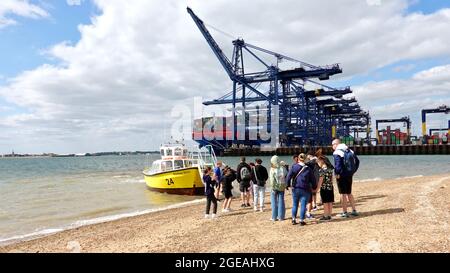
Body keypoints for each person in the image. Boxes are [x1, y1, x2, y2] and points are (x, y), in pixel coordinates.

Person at [332, 138, 360, 218]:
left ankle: (344, 212)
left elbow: (338, 165)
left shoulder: (337, 152)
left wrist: (337, 174)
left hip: (341, 175)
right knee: (349, 192)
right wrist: (353, 171)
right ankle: (354, 210)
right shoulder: (350, 150)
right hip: (349, 175)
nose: (332, 146)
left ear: (337, 144)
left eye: (333, 144)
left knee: (342, 194)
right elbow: (357, 161)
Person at [286, 153, 317, 226]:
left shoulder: (294, 167)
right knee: (303, 205)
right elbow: (313, 179)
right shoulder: (308, 168)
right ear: (305, 159)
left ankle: (293, 219)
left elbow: (288, 176)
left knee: (295, 205)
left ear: (298, 159)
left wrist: (287, 185)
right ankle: (301, 220)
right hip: (305, 189)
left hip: (296, 188)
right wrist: (314, 187)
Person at [269, 155, 287, 221]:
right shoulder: (283, 168)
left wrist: (273, 187)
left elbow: (271, 180)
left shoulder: (272, 169)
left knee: (274, 202)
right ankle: (281, 217)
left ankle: (274, 217)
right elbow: (285, 175)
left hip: (274, 187)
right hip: (282, 186)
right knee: (281, 201)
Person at [316, 156, 334, 221]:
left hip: (324, 187)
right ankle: (329, 215)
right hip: (330, 187)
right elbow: (332, 179)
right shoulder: (330, 169)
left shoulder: (321, 170)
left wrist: (317, 189)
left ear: (321, 161)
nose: (318, 164)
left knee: (325, 202)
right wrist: (330, 184)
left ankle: (326, 215)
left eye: (318, 162)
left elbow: (320, 180)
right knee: (330, 201)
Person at [306, 151, 320, 217]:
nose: (307, 157)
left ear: (309, 155)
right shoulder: (317, 160)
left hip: (312, 179)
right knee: (314, 193)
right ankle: (314, 204)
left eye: (307, 155)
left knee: (311, 193)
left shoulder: (312, 161)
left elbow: (306, 165)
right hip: (316, 178)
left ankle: (312, 206)